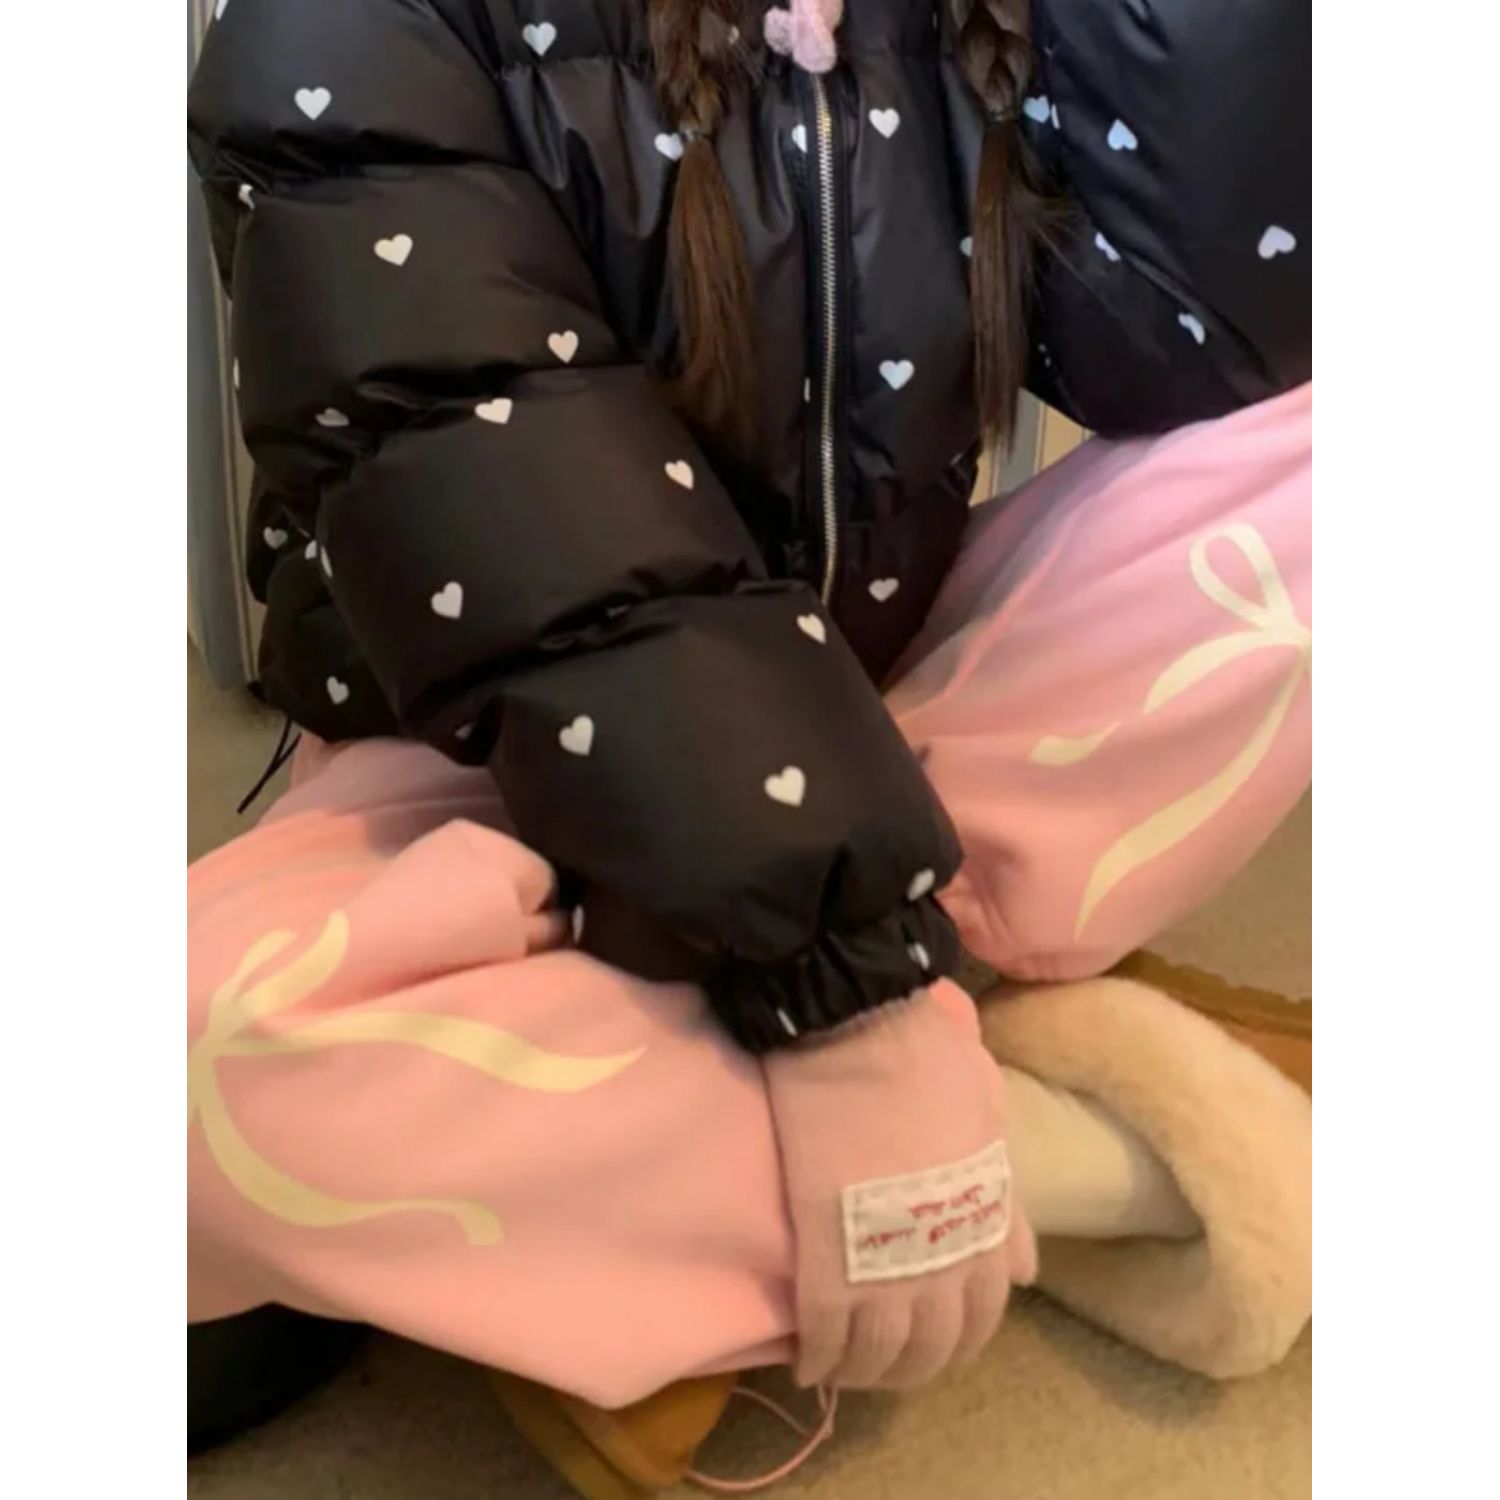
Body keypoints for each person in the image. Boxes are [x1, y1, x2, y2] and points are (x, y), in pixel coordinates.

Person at [187, 0, 1310, 1461]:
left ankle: (746, 1069)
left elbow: (1202, 334)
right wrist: (854, 1022)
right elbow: (510, 496)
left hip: (886, 697)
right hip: (493, 746)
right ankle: (1073, 1156)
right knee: (175, 1097)